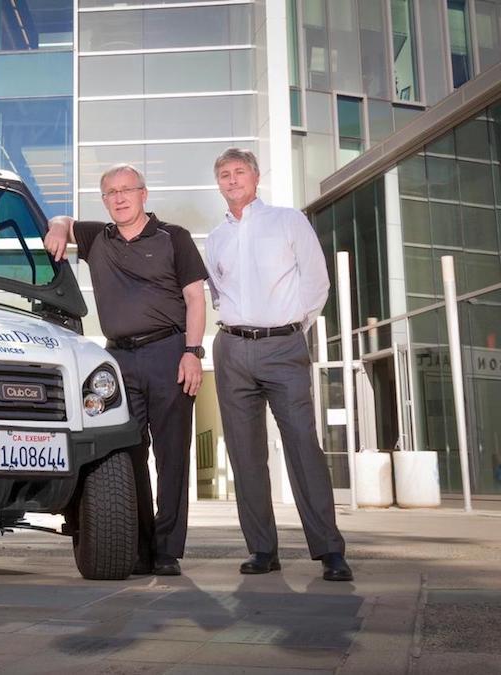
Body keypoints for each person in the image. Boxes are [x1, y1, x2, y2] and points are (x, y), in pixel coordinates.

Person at [44, 164, 206, 577]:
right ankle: (140, 549)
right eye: (110, 192)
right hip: (117, 360)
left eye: (126, 190)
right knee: (127, 456)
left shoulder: (175, 238)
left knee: (172, 458)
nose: (119, 198)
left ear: (143, 194)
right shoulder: (99, 236)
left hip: (169, 354)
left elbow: (194, 299)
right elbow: (61, 218)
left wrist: (192, 351)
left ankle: (167, 551)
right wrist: (60, 229)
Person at [205, 147, 353, 582]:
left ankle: (329, 550)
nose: (232, 180)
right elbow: (217, 293)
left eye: (239, 172)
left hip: (283, 346)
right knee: (245, 454)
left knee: (302, 446)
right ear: (219, 184)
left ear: (255, 176)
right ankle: (263, 550)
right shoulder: (216, 237)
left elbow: (316, 283)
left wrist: (290, 331)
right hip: (232, 349)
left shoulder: (288, 221)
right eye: (224, 175)